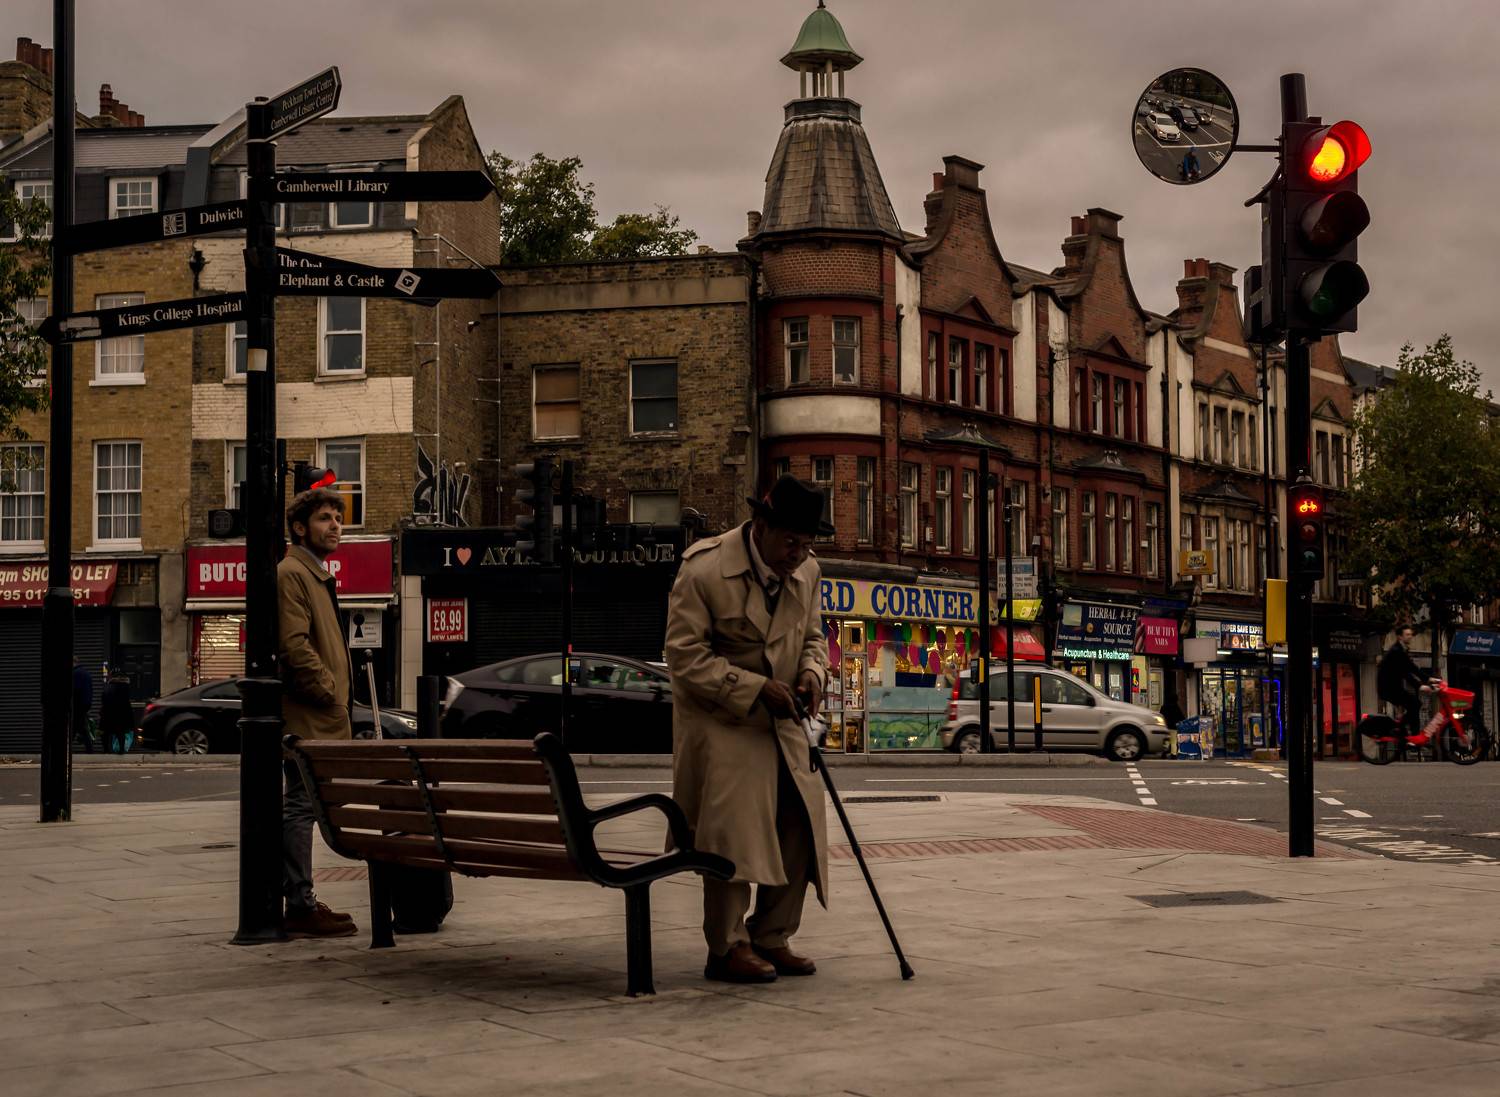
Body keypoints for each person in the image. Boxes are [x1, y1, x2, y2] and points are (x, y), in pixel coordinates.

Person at [665, 474, 831, 984]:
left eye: (807, 544)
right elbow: (685, 658)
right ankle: (728, 946)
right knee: (732, 827)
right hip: (723, 721)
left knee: (800, 821)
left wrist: (812, 674)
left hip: (783, 721)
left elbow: (814, 637)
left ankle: (772, 935)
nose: (798, 555)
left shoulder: (808, 571)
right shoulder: (703, 569)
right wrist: (756, 688)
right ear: (760, 526)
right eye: (791, 542)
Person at [277, 486, 357, 939]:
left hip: (321, 716)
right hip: (311, 716)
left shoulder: (314, 575)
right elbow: (294, 645)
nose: (335, 526)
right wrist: (328, 691)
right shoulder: (293, 573)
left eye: (338, 519)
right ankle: (300, 904)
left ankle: (300, 900)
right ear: (300, 527)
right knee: (301, 806)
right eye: (325, 518)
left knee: (303, 805)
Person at [1377, 626, 1427, 750]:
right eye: (1407, 634)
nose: (1410, 637)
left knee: (1414, 704)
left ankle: (1405, 732)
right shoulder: (1396, 651)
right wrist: (1420, 684)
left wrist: (1427, 679)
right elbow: (1407, 670)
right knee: (1415, 704)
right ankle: (1411, 737)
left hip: (1392, 687)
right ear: (1400, 636)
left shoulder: (1401, 649)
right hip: (1388, 688)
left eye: (1411, 634)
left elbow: (1410, 668)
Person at [99, 668, 135, 755]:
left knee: (105, 733)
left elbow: (104, 699)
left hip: (109, 713)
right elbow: (126, 702)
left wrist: (102, 712)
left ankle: (106, 750)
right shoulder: (126, 686)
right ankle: (121, 750)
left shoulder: (109, 686)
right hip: (122, 714)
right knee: (120, 732)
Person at [70, 657, 94, 754]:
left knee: (77, 727)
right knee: (78, 727)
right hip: (85, 704)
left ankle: (89, 751)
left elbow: (75, 690)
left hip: (78, 705)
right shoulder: (86, 673)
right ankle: (89, 750)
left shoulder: (75, 673)